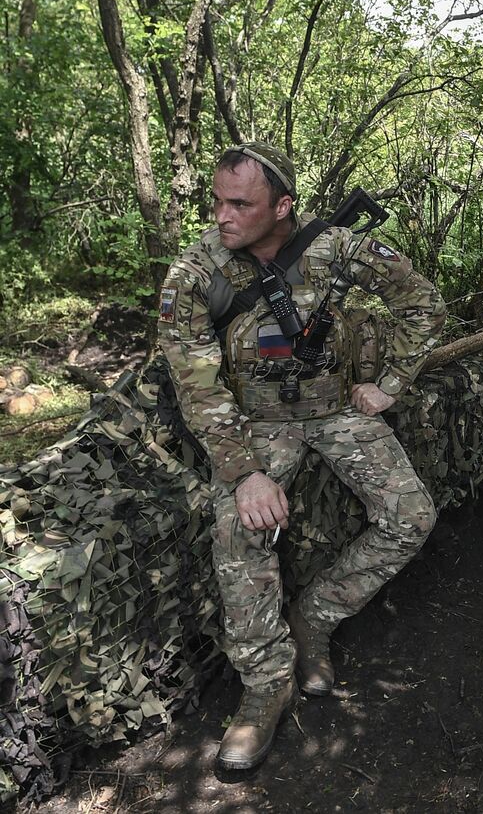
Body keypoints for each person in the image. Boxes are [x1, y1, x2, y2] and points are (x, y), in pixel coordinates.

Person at [157, 142, 446, 770]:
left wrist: (390, 384)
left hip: (338, 409)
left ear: (283, 206)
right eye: (217, 201)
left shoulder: (337, 248)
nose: (222, 216)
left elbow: (423, 304)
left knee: (411, 518)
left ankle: (315, 617)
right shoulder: (198, 272)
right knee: (239, 530)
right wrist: (245, 472)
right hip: (254, 423)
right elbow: (197, 385)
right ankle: (267, 684)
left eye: (240, 204)